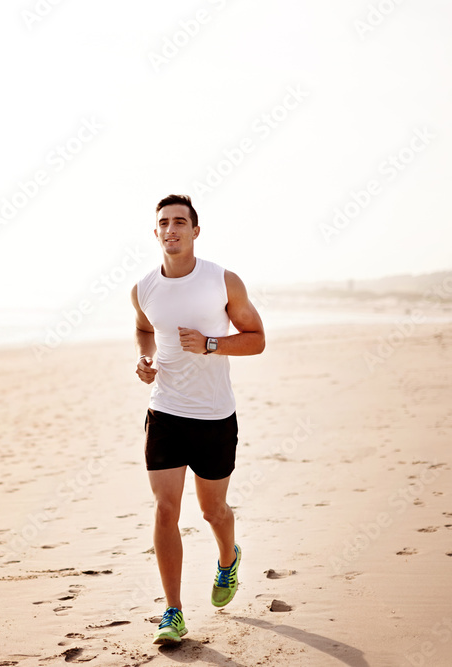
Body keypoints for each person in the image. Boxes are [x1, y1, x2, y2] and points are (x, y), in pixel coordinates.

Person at [129, 194, 265, 645]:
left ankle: (228, 559)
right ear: (156, 232)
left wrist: (210, 344)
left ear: (195, 231)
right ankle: (173, 611)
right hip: (165, 411)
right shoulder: (144, 288)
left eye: (180, 222)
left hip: (213, 415)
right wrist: (145, 358)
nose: (171, 229)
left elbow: (256, 339)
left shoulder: (222, 281)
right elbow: (145, 328)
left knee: (212, 511)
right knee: (166, 508)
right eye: (164, 223)